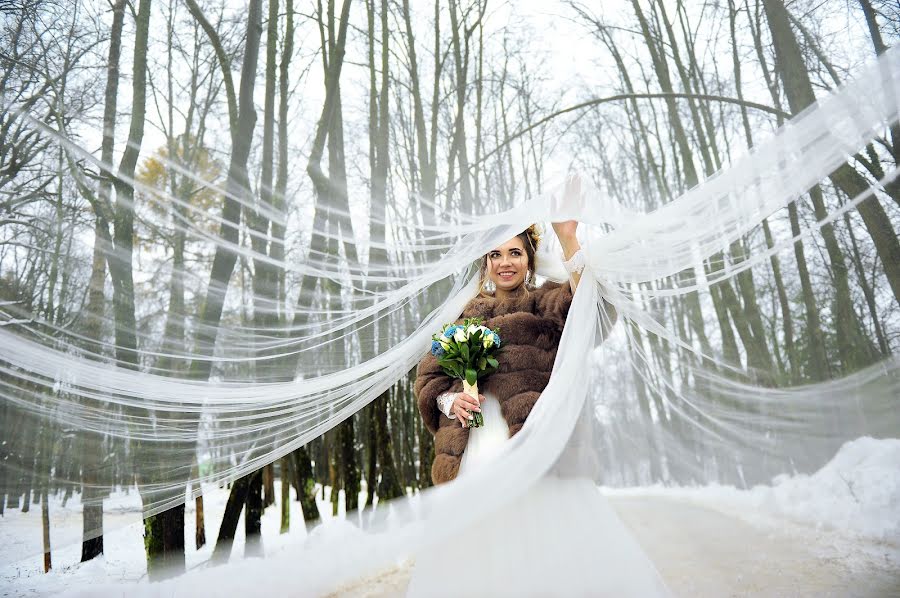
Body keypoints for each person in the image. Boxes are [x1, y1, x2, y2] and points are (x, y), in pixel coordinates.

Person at [407, 175, 671, 596]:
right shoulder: (466, 315)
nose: (504, 262)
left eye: (514, 252)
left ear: (529, 258)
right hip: (477, 449)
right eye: (495, 254)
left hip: (536, 444)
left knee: (543, 545)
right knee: (480, 553)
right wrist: (450, 399)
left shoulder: (545, 301)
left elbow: (593, 310)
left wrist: (568, 238)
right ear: (486, 263)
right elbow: (428, 378)